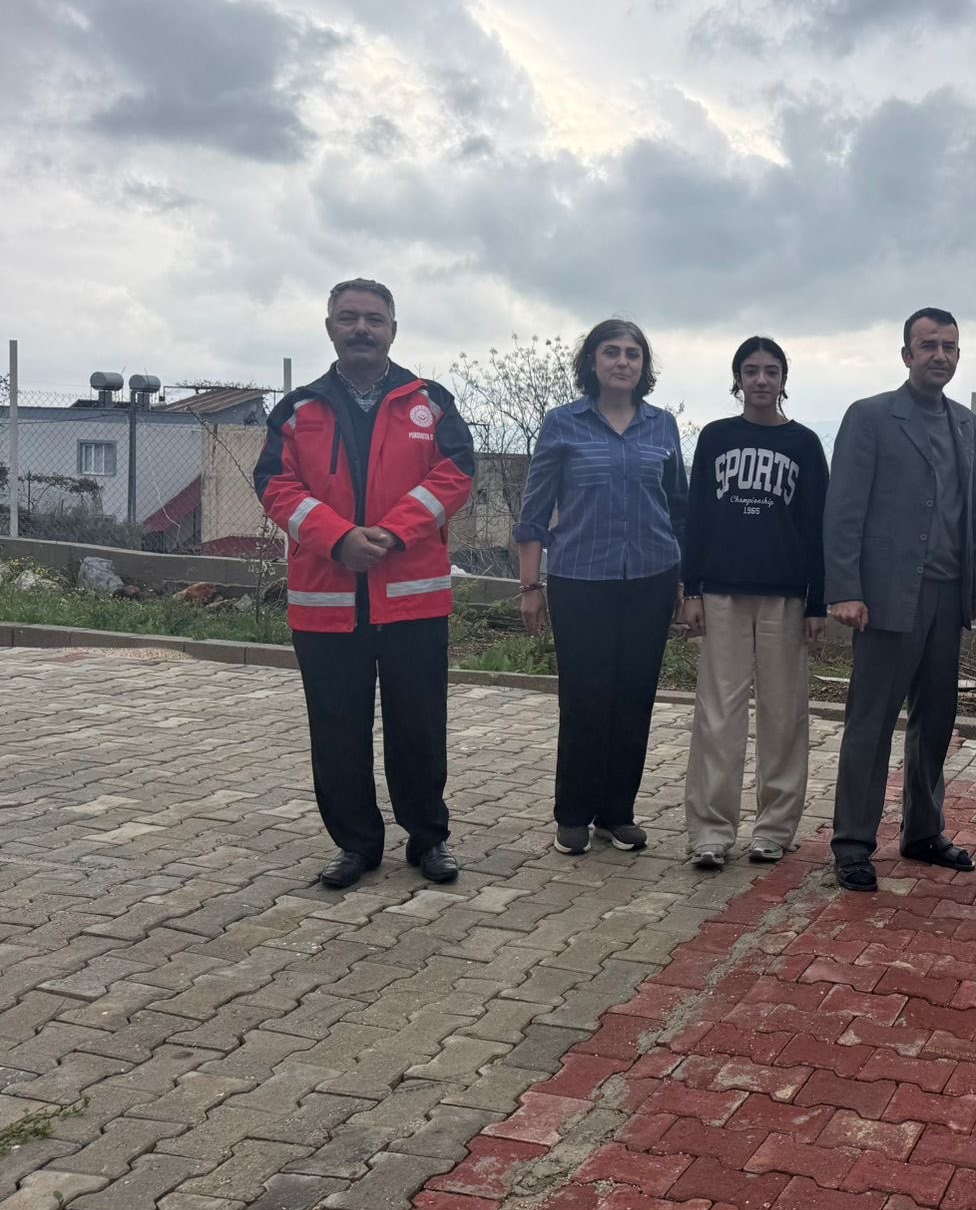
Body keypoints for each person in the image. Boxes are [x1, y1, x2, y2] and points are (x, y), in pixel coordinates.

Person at [254, 278, 475, 889]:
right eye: (348, 318)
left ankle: (428, 839)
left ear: (392, 330)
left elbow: (457, 473)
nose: (361, 329)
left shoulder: (430, 401)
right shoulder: (298, 409)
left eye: (373, 319)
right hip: (326, 603)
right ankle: (355, 845)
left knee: (419, 729)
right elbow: (274, 485)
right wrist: (338, 538)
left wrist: (391, 533)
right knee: (337, 733)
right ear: (330, 327)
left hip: (412, 603)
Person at [825, 307, 976, 892]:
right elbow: (843, 508)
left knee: (936, 722)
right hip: (887, 599)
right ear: (906, 354)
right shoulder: (870, 416)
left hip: (948, 597)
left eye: (949, 346)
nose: (939, 355)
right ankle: (852, 843)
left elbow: (975, 513)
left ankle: (922, 831)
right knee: (870, 724)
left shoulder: (966, 424)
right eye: (928, 345)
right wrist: (845, 590)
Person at [513, 320, 687, 857]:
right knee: (585, 699)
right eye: (611, 352)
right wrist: (530, 585)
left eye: (633, 353)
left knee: (634, 699)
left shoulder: (663, 426)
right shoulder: (563, 424)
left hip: (652, 579)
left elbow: (678, 508)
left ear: (643, 366)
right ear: (592, 362)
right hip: (580, 580)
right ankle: (573, 813)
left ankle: (617, 813)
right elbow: (535, 510)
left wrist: (685, 583)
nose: (622, 362)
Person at [680, 337, 829, 868]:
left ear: (784, 379)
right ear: (737, 379)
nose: (761, 379)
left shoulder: (804, 443)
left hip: (785, 597)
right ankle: (710, 831)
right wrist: (691, 589)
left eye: (771, 370)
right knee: (717, 713)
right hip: (721, 591)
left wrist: (817, 602)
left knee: (783, 713)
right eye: (751, 370)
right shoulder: (716, 437)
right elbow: (697, 515)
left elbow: (817, 527)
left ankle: (774, 828)